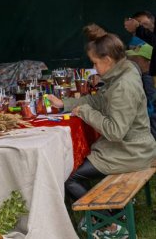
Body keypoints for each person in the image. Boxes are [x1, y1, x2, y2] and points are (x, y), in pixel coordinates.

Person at [48, 24, 155, 236]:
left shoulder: (123, 85)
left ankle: (107, 221)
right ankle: (113, 211)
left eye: (95, 63)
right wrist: (66, 105)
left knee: (69, 176)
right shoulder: (123, 71)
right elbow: (100, 99)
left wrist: (86, 112)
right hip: (134, 146)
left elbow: (116, 132)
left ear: (107, 60)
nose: (95, 68)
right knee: (78, 164)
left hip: (132, 151)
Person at [126, 43, 156, 139]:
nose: (135, 61)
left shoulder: (148, 78)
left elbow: (151, 103)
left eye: (137, 59)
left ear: (149, 62)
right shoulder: (146, 75)